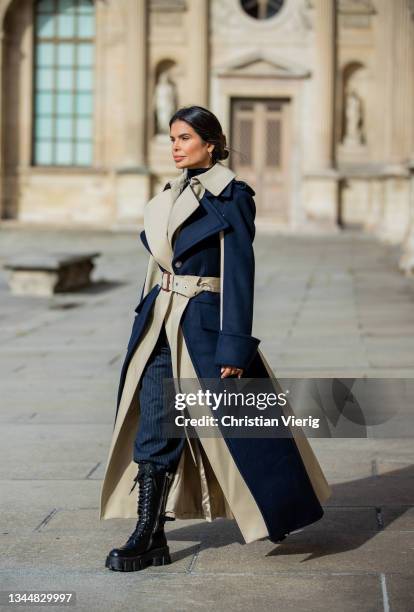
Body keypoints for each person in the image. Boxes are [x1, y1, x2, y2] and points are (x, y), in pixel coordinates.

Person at [100, 105, 332, 572]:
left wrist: (233, 344)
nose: (175, 146)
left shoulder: (232, 196)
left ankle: (284, 506)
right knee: (155, 421)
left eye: (184, 137)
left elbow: (239, 273)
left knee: (244, 430)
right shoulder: (167, 193)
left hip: (204, 326)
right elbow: (158, 261)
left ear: (211, 143)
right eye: (172, 138)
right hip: (159, 324)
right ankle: (149, 534)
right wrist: (143, 309)